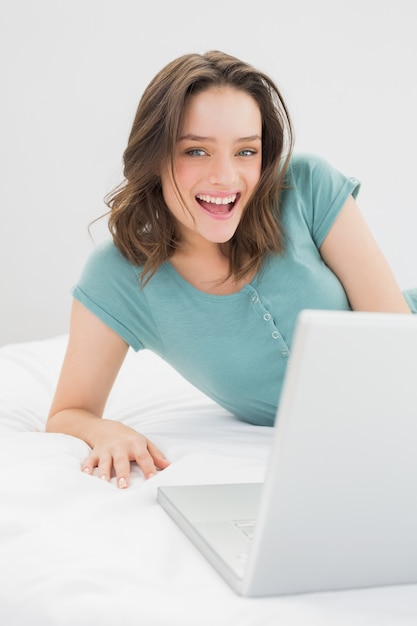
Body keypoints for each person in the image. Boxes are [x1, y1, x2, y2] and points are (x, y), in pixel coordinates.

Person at [46, 50, 416, 488]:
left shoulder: (306, 186)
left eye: (246, 151)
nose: (225, 177)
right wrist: (106, 430)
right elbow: (68, 412)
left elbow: (398, 343)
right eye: (196, 150)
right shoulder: (119, 276)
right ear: (155, 155)